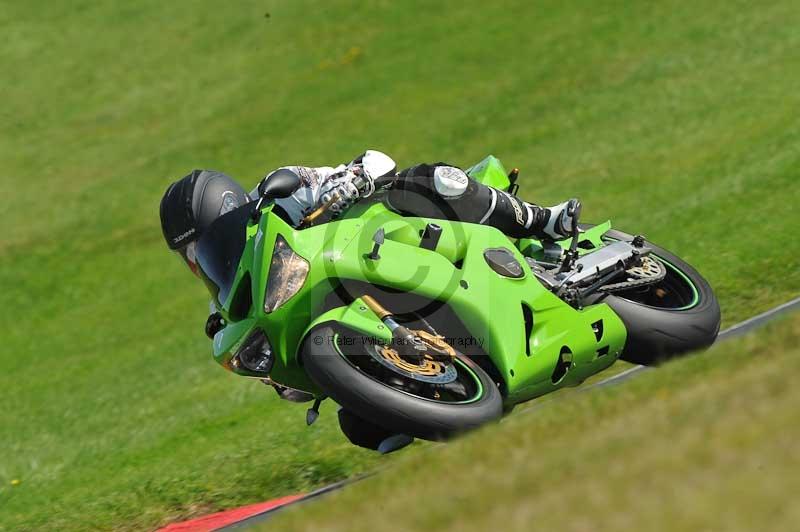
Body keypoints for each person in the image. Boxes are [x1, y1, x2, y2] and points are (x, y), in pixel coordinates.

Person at [159, 150, 580, 277]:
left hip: (386, 237)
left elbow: (376, 161)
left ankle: (541, 220)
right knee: (358, 426)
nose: (196, 262)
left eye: (196, 248)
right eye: (188, 256)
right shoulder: (229, 288)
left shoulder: (281, 191)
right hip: (354, 291)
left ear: (227, 210)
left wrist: (352, 180)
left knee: (430, 181)